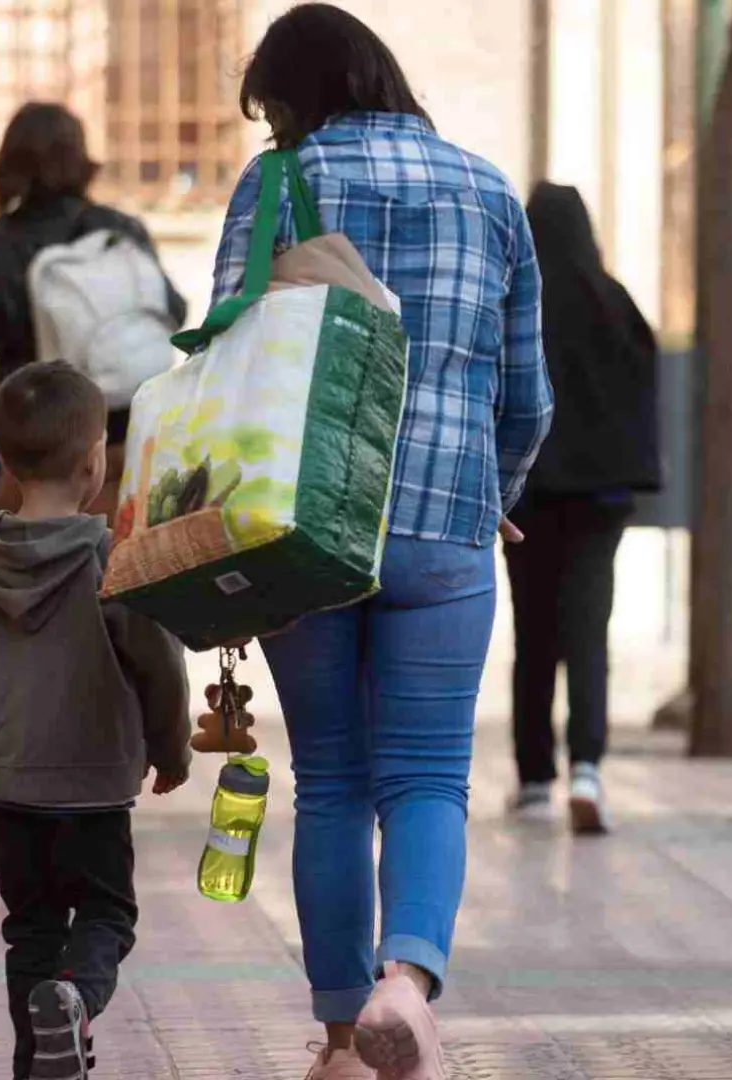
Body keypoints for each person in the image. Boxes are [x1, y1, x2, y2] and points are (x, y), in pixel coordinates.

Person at [209, 6, 551, 1078]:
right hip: (448, 522)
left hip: (306, 522)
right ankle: (410, 979)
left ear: (301, 97)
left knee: (334, 780)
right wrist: (496, 487)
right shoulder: (490, 188)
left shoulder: (275, 186)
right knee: (430, 777)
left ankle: (345, 1036)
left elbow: (225, 347)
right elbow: (529, 387)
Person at [0, 361, 191, 1080]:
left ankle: (38, 1064)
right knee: (104, 917)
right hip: (93, 785)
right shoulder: (111, 558)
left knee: (29, 929)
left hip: (5, 788)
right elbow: (156, 657)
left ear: (3, 460)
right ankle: (77, 1000)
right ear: (95, 464)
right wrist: (172, 746)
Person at [0, 102, 187, 519]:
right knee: (122, 574)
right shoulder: (123, 232)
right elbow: (171, 313)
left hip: (30, 462)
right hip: (126, 451)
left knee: (30, 575)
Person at [504, 184, 660, 835]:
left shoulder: (519, 302)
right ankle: (589, 767)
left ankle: (536, 776)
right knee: (589, 630)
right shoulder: (613, 299)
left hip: (530, 498)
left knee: (533, 634)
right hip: (601, 500)